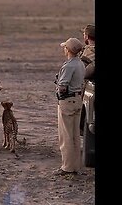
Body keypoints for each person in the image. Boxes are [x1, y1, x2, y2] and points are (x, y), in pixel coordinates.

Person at [53, 37, 85, 175]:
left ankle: (67, 167)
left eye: (65, 47)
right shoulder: (80, 64)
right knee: (75, 136)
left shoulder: (69, 66)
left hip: (67, 101)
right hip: (77, 100)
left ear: (68, 50)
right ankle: (75, 166)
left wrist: (58, 86)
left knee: (65, 136)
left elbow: (63, 86)